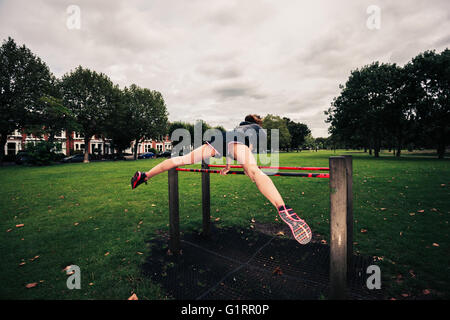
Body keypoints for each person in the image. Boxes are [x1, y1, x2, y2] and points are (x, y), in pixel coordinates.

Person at [130, 114, 312, 245]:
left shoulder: (239, 127)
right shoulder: (257, 130)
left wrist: (228, 165)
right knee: (255, 172)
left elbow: (231, 145)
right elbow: (243, 147)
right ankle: (283, 208)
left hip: (219, 139)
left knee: (181, 160)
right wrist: (246, 167)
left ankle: (144, 175)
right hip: (236, 143)